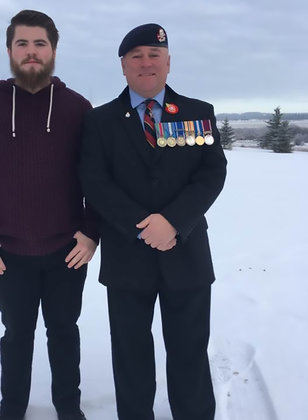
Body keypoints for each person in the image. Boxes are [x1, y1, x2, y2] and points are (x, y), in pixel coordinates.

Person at [0, 10, 98, 420]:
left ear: (53, 50)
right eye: (23, 43)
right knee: (17, 335)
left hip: (67, 252)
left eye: (40, 43)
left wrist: (90, 233)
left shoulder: (77, 108)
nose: (31, 52)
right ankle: (12, 409)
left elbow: (96, 179)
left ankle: (68, 408)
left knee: (64, 333)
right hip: (8, 254)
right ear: (9, 50)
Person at [79, 23, 227, 420]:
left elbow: (211, 174)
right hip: (128, 257)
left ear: (168, 62)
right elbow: (94, 181)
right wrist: (145, 225)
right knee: (130, 356)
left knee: (189, 352)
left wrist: (174, 222)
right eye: (136, 56)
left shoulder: (198, 113)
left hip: (187, 253)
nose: (146, 63)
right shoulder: (100, 121)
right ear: (123, 66)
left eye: (154, 55)